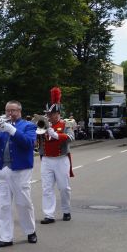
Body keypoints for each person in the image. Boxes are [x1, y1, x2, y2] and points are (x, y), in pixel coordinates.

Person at [0, 100, 37, 246]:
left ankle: (30, 231)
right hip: (0, 168)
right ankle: (5, 237)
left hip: (20, 169)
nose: (9, 113)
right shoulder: (1, 126)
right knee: (3, 204)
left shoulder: (28, 126)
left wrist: (12, 130)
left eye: (13, 110)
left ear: (19, 111)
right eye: (7, 110)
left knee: (23, 202)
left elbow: (29, 143)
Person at [39, 88, 74, 224]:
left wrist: (57, 135)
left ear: (57, 113)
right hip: (47, 159)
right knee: (47, 188)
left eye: (51, 114)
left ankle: (66, 210)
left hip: (61, 159)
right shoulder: (43, 125)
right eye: (48, 114)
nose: (49, 116)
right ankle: (49, 214)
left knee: (64, 187)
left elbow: (71, 137)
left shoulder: (66, 124)